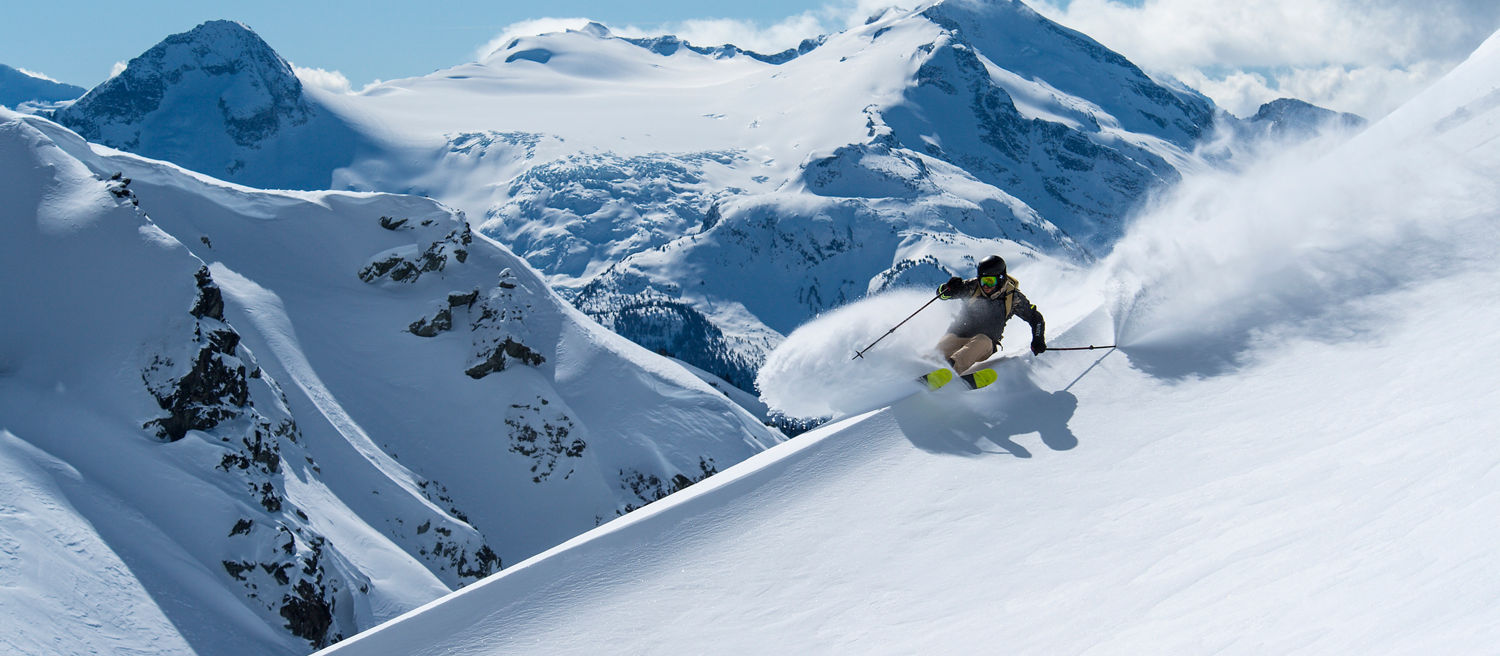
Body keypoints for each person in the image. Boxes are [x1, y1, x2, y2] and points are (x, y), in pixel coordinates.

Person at [934, 255, 1046, 375]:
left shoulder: (1013, 297)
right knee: (937, 353)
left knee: (981, 341)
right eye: (983, 281)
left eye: (990, 281)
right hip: (958, 335)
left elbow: (1035, 318)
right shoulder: (972, 287)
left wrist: (1038, 339)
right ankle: (924, 372)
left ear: (1001, 278)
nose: (985, 286)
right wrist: (948, 288)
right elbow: (941, 295)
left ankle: (949, 371)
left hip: (985, 344)